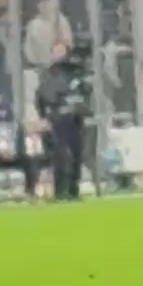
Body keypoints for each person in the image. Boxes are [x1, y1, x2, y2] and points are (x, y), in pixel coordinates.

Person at [35, 40, 88, 200]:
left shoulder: (76, 71)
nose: (59, 54)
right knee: (60, 155)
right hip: (57, 119)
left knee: (76, 154)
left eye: (61, 50)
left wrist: (79, 106)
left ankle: (73, 190)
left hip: (75, 118)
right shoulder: (48, 74)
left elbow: (84, 92)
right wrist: (44, 117)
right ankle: (60, 191)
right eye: (56, 51)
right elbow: (41, 98)